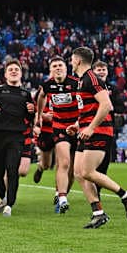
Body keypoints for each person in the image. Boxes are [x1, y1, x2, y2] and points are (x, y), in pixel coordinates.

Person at [67, 47, 127, 228]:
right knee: (78, 173)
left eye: (72, 59)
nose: (71, 62)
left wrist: (90, 127)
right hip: (86, 130)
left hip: (99, 131)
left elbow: (106, 105)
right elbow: (88, 109)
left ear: (78, 61)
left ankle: (125, 195)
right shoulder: (82, 81)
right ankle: (98, 213)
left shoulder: (92, 78)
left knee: (87, 172)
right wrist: (78, 125)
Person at [0, 58, 35, 217]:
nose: (14, 71)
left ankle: (10, 204)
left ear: (21, 73)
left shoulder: (26, 94)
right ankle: (3, 198)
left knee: (12, 170)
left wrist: (32, 112)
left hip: (16, 136)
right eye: (10, 69)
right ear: (5, 74)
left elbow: (30, 118)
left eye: (16, 69)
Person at [36, 56, 80, 213]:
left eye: (60, 65)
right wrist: (39, 115)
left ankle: (61, 193)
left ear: (66, 68)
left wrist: (78, 123)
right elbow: (41, 96)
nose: (58, 68)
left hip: (77, 128)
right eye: (54, 66)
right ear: (50, 70)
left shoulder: (76, 83)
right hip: (60, 128)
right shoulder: (47, 85)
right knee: (64, 162)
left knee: (73, 170)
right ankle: (62, 198)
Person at [32, 89, 54, 183]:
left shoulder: (70, 87)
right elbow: (34, 111)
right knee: (46, 165)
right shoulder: (43, 90)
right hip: (46, 131)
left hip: (63, 129)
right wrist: (44, 116)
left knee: (64, 163)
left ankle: (60, 194)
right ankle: (41, 168)